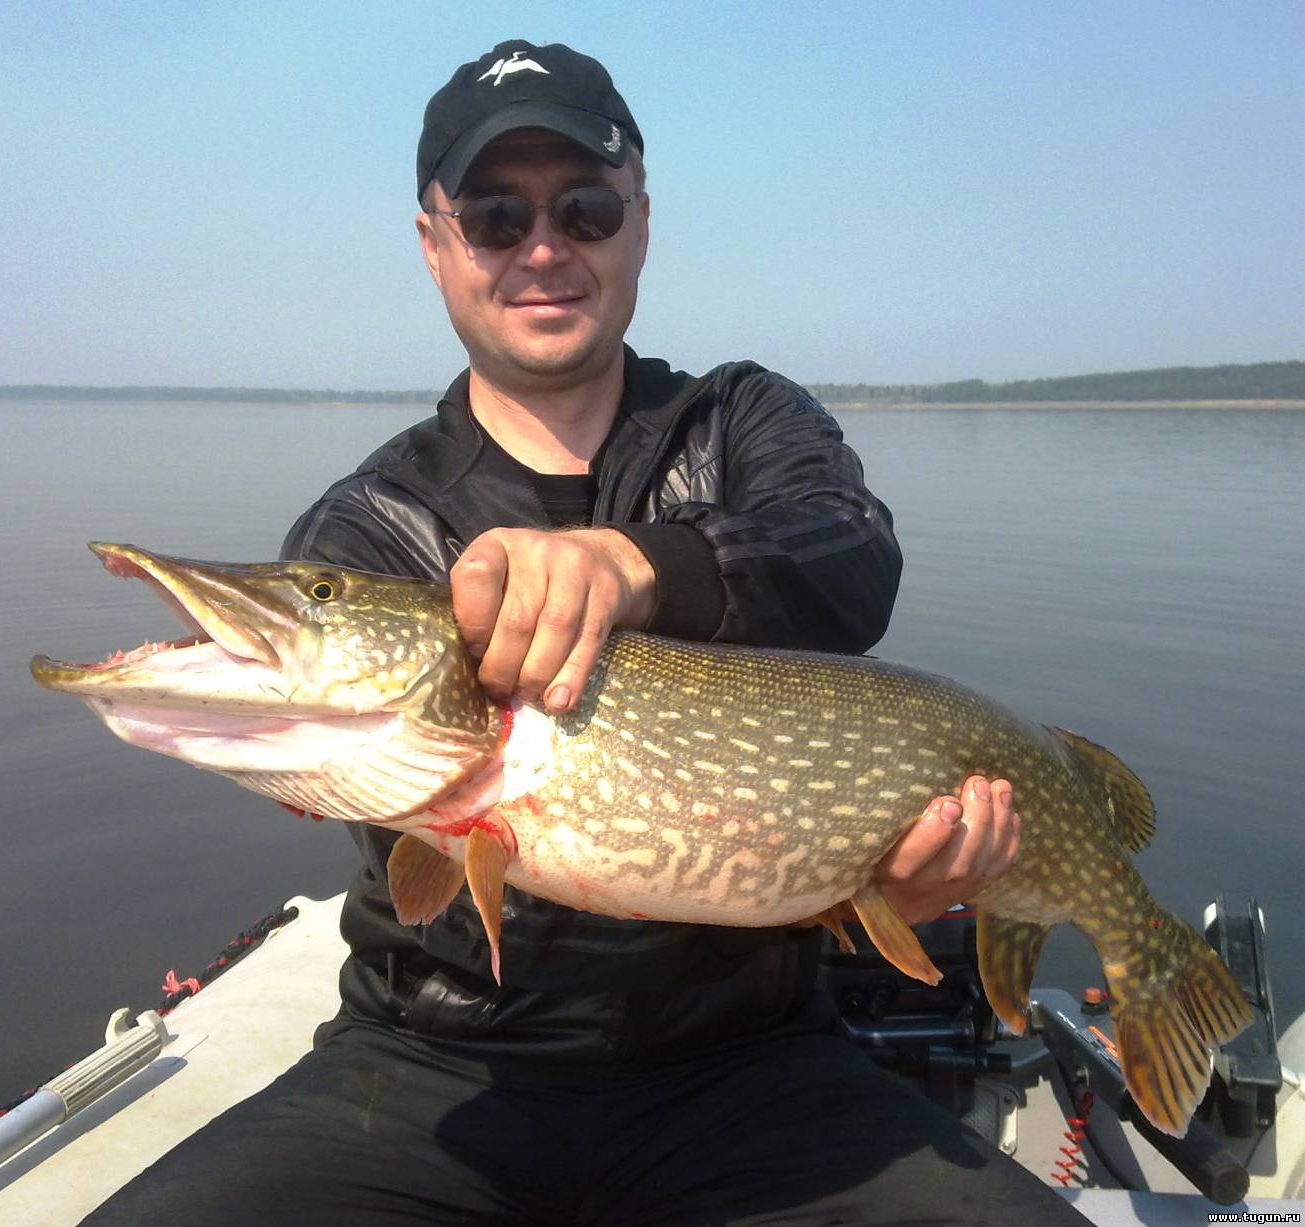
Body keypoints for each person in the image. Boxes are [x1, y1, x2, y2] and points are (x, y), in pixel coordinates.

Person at [85, 39, 1085, 1225]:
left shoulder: (741, 421)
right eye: (497, 215)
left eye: (586, 207)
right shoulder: (371, 523)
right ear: (437, 246)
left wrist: (635, 567)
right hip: (433, 1071)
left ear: (641, 222)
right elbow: (375, 790)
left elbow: (847, 554)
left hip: (756, 1068)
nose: (545, 248)